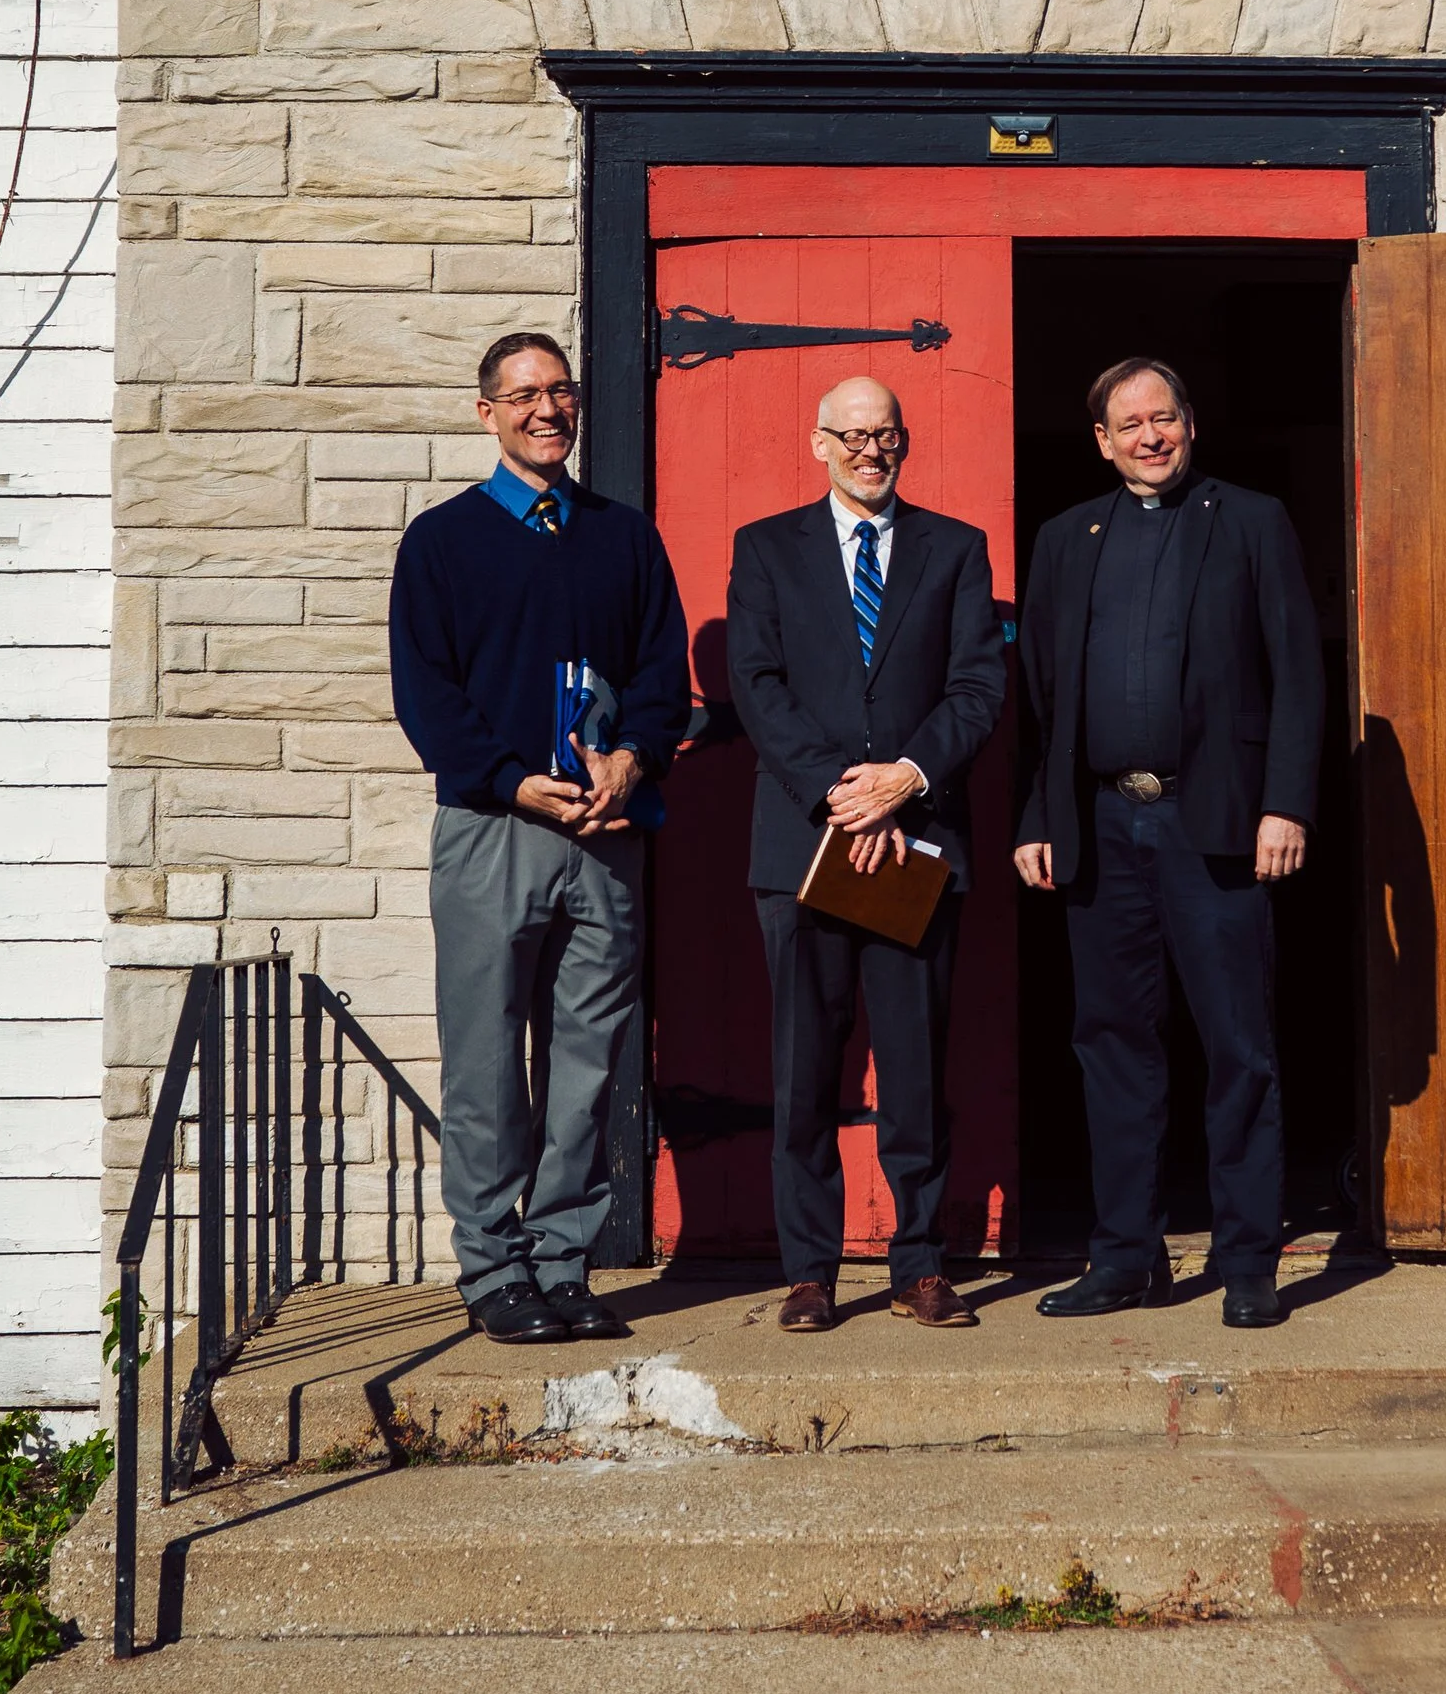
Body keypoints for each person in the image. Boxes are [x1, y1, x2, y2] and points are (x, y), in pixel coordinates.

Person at [388, 328, 688, 1346]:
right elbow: (426, 695)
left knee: (587, 1063)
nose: (546, 409)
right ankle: (493, 1267)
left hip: (605, 829)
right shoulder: (440, 542)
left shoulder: (623, 536)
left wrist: (633, 759)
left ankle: (562, 1263)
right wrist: (515, 781)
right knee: (483, 1061)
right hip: (493, 830)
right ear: (488, 413)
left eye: (559, 391)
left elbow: (660, 673)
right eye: (523, 396)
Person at [1014, 356, 1323, 1331]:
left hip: (1218, 824)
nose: (1149, 436)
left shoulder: (1251, 521)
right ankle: (1125, 1258)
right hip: (1103, 826)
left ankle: (1245, 1264)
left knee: (1238, 1047)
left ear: (1191, 422)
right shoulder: (1068, 539)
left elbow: (1298, 673)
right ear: (1101, 442)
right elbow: (1041, 697)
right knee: (1111, 1047)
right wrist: (1039, 817)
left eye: (1164, 417)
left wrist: (1287, 803)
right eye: (1127, 424)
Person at [726, 375, 1008, 1336]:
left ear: (905, 441)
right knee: (805, 1069)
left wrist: (907, 777)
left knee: (915, 1069)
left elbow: (979, 685)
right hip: (806, 844)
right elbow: (757, 684)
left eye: (884, 434)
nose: (868, 450)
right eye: (850, 435)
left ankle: (919, 1264)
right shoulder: (765, 549)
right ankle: (809, 1270)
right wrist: (844, 792)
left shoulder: (955, 550)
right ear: (819, 444)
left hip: (917, 844)